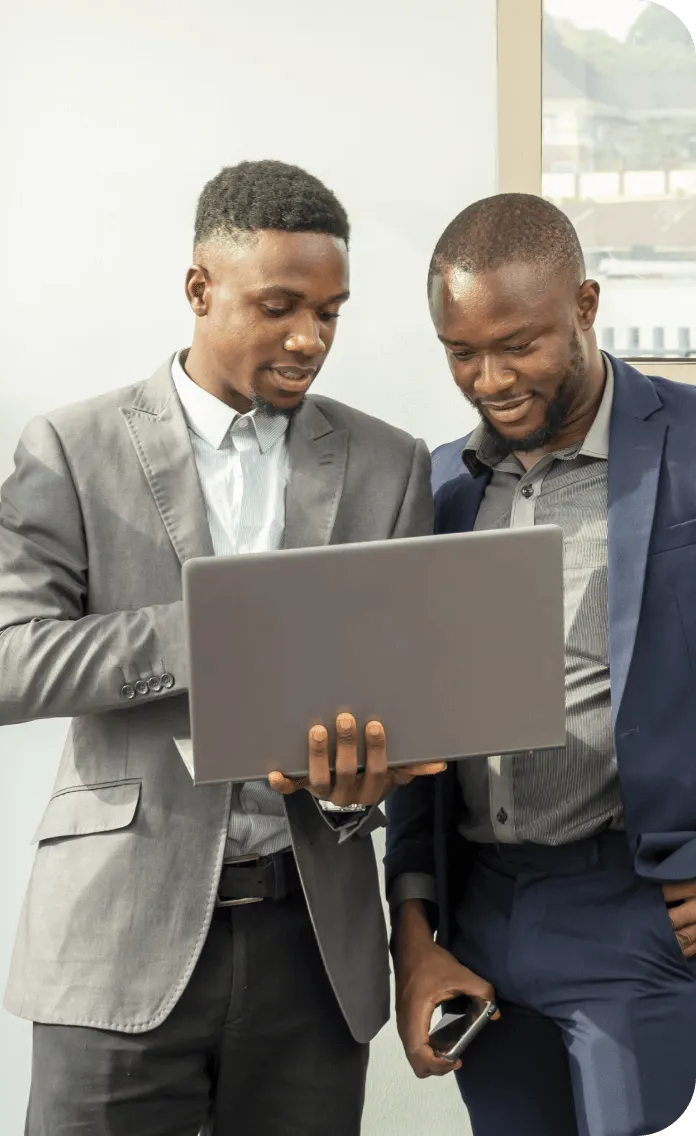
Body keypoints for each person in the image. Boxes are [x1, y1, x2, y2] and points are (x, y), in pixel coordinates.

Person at [0, 159, 444, 1136]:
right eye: (278, 306)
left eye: (329, 311)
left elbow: (400, 697)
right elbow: (1, 668)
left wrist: (357, 792)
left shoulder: (387, 463)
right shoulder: (70, 447)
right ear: (198, 289)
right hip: (116, 937)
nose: (308, 338)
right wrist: (219, 624)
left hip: (309, 946)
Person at [385, 192, 696, 1136]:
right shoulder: (434, 487)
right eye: (461, 352)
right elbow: (412, 733)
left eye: (518, 344)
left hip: (640, 912)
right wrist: (416, 939)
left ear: (588, 306)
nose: (491, 378)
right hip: (482, 925)